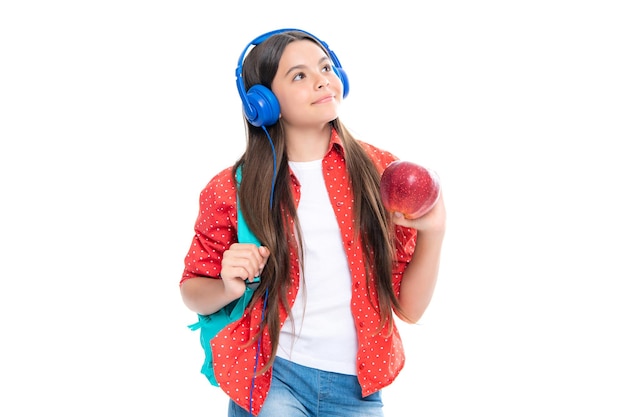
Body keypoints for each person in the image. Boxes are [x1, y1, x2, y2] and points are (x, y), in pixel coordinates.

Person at [180, 28, 446, 417]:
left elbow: (410, 308)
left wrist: (435, 232)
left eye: (325, 66)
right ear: (264, 102)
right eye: (299, 75)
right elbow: (192, 290)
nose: (322, 78)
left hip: (357, 390)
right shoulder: (232, 188)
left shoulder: (380, 172)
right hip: (274, 378)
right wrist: (227, 285)